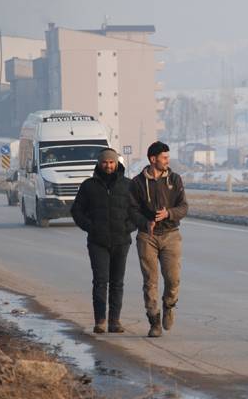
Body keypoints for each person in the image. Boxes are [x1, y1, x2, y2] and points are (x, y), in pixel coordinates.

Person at [71, 148, 135, 333]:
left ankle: (115, 321)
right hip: (97, 242)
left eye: (112, 162)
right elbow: (77, 211)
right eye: (105, 162)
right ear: (99, 164)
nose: (108, 165)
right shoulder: (88, 185)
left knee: (117, 282)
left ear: (117, 164)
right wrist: (91, 227)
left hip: (121, 241)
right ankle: (100, 320)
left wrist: (127, 227)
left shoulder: (128, 185)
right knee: (100, 281)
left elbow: (136, 211)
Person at [129, 141, 188, 338]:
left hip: (171, 234)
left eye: (168, 157)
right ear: (153, 159)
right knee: (150, 281)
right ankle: (154, 320)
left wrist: (169, 214)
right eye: (164, 157)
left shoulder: (175, 179)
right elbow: (131, 210)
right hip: (148, 237)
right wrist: (145, 222)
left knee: (173, 279)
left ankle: (169, 305)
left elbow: (184, 207)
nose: (167, 161)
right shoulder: (137, 183)